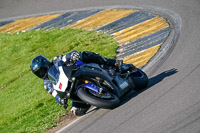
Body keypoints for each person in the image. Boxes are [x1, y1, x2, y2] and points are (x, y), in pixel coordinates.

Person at [30, 50, 123, 116]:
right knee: (76, 111)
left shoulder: (56, 60)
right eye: (40, 73)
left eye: (43, 70)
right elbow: (54, 93)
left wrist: (72, 55)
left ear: (46, 63)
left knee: (85, 55)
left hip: (76, 73)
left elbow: (65, 57)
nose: (43, 73)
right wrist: (60, 99)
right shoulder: (46, 83)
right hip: (71, 89)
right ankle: (93, 96)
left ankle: (111, 62)